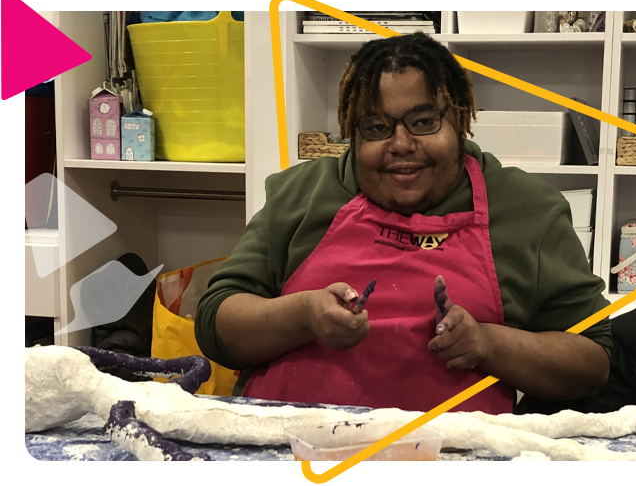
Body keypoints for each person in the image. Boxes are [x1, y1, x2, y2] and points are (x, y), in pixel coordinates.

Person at [195, 32, 611, 415]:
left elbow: (593, 362)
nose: (400, 145)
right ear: (352, 133)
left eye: (424, 121)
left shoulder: (529, 210)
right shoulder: (301, 194)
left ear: (460, 120)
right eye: (376, 127)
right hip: (285, 453)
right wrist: (302, 315)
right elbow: (215, 324)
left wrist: (488, 343)